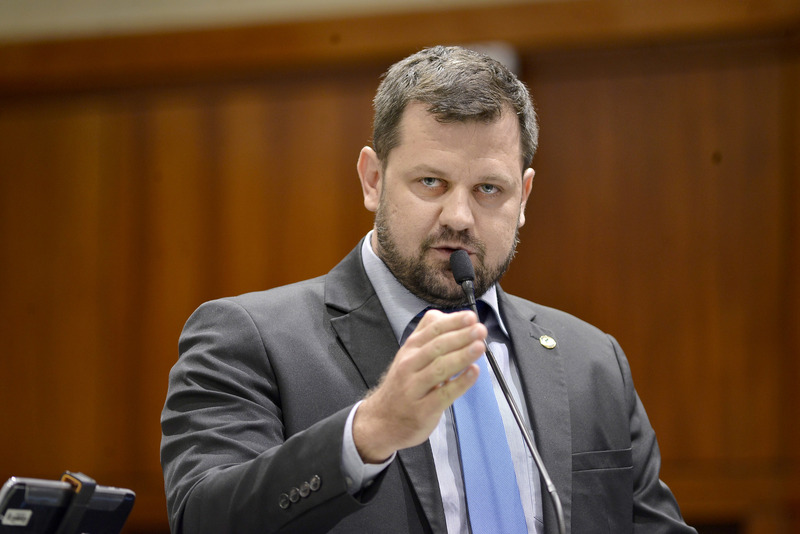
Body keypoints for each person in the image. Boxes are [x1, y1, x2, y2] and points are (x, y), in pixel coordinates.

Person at [160, 45, 696, 534]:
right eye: (431, 182)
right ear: (373, 179)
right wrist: (368, 433)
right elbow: (202, 519)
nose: (459, 216)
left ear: (524, 197)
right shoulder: (250, 339)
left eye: (489, 189)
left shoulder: (593, 362)